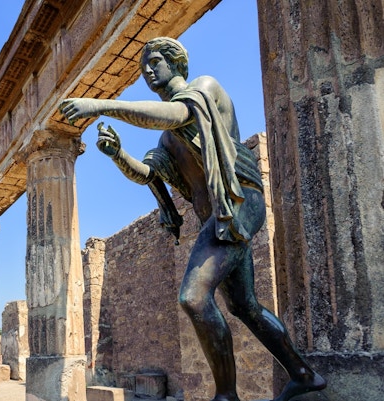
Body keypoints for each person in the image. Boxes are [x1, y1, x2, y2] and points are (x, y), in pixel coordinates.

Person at [59, 37, 326, 401]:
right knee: (244, 306)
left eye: (155, 61)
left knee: (194, 297)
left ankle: (226, 395)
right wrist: (118, 153)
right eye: (143, 67)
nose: (147, 70)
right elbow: (148, 174)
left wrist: (99, 105)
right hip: (218, 217)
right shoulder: (168, 141)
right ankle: (303, 375)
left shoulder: (204, 89)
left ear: (177, 62)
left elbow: (177, 114)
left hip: (238, 204)